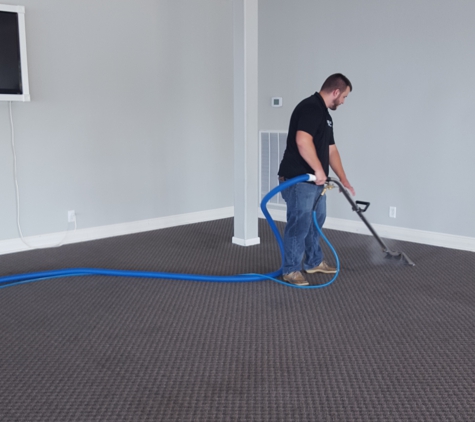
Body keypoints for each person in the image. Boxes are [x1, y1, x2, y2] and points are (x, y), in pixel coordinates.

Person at [277, 73, 355, 286]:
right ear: (336, 92)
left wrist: (343, 178)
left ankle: (313, 262)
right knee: (299, 224)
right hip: (298, 180)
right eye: (345, 97)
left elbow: (332, 150)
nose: (343, 102)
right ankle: (291, 270)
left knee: (315, 222)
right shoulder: (310, 107)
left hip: (315, 182)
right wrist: (319, 170)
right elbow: (302, 141)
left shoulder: (326, 115)